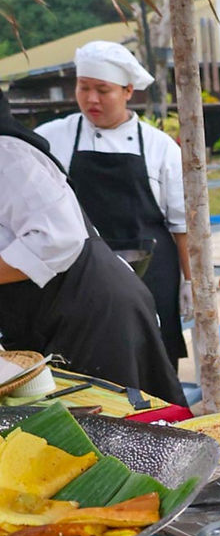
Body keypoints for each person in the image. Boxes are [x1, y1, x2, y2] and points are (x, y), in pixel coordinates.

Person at [0, 90, 187, 405]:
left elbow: (58, 239)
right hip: (45, 317)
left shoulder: (7, 156)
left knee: (124, 428)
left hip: (93, 313)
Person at [34, 40, 191, 370]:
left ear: (128, 91)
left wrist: (191, 283)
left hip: (150, 272)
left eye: (103, 90)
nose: (91, 99)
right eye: (83, 87)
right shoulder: (50, 138)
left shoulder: (160, 147)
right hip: (80, 274)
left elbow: (182, 226)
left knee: (153, 365)